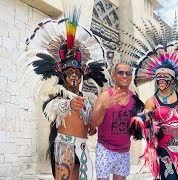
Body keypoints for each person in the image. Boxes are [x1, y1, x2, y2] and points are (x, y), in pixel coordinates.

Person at [19, 2, 109, 179]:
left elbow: (87, 122)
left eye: (77, 73)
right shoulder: (57, 93)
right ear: (62, 75)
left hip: (82, 147)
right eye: (69, 73)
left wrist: (91, 126)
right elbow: (52, 109)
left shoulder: (85, 98)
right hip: (64, 146)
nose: (74, 76)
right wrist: (68, 104)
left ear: (83, 74)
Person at [122, 18, 178, 180]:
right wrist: (139, 118)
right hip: (164, 147)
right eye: (158, 77)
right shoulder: (151, 101)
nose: (160, 80)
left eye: (164, 76)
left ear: (173, 79)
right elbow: (145, 116)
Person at [90, 62, 144, 180]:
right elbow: (93, 123)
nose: (124, 76)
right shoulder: (105, 95)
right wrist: (104, 107)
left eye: (128, 73)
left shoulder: (134, 97)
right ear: (114, 76)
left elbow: (136, 123)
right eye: (120, 73)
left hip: (124, 150)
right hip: (105, 149)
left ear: (131, 77)